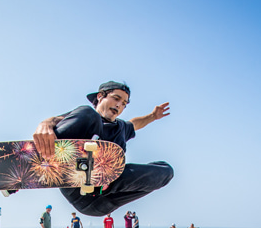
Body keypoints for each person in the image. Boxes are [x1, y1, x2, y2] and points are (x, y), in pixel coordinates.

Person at [33, 81, 174, 217]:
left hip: (103, 199)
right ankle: (39, 158)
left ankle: (103, 181)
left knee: (166, 171)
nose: (119, 105)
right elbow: (58, 119)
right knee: (89, 114)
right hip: (76, 190)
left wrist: (153, 116)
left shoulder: (121, 128)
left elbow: (135, 123)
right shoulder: (86, 116)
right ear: (100, 96)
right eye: (116, 98)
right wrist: (45, 124)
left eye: (124, 104)